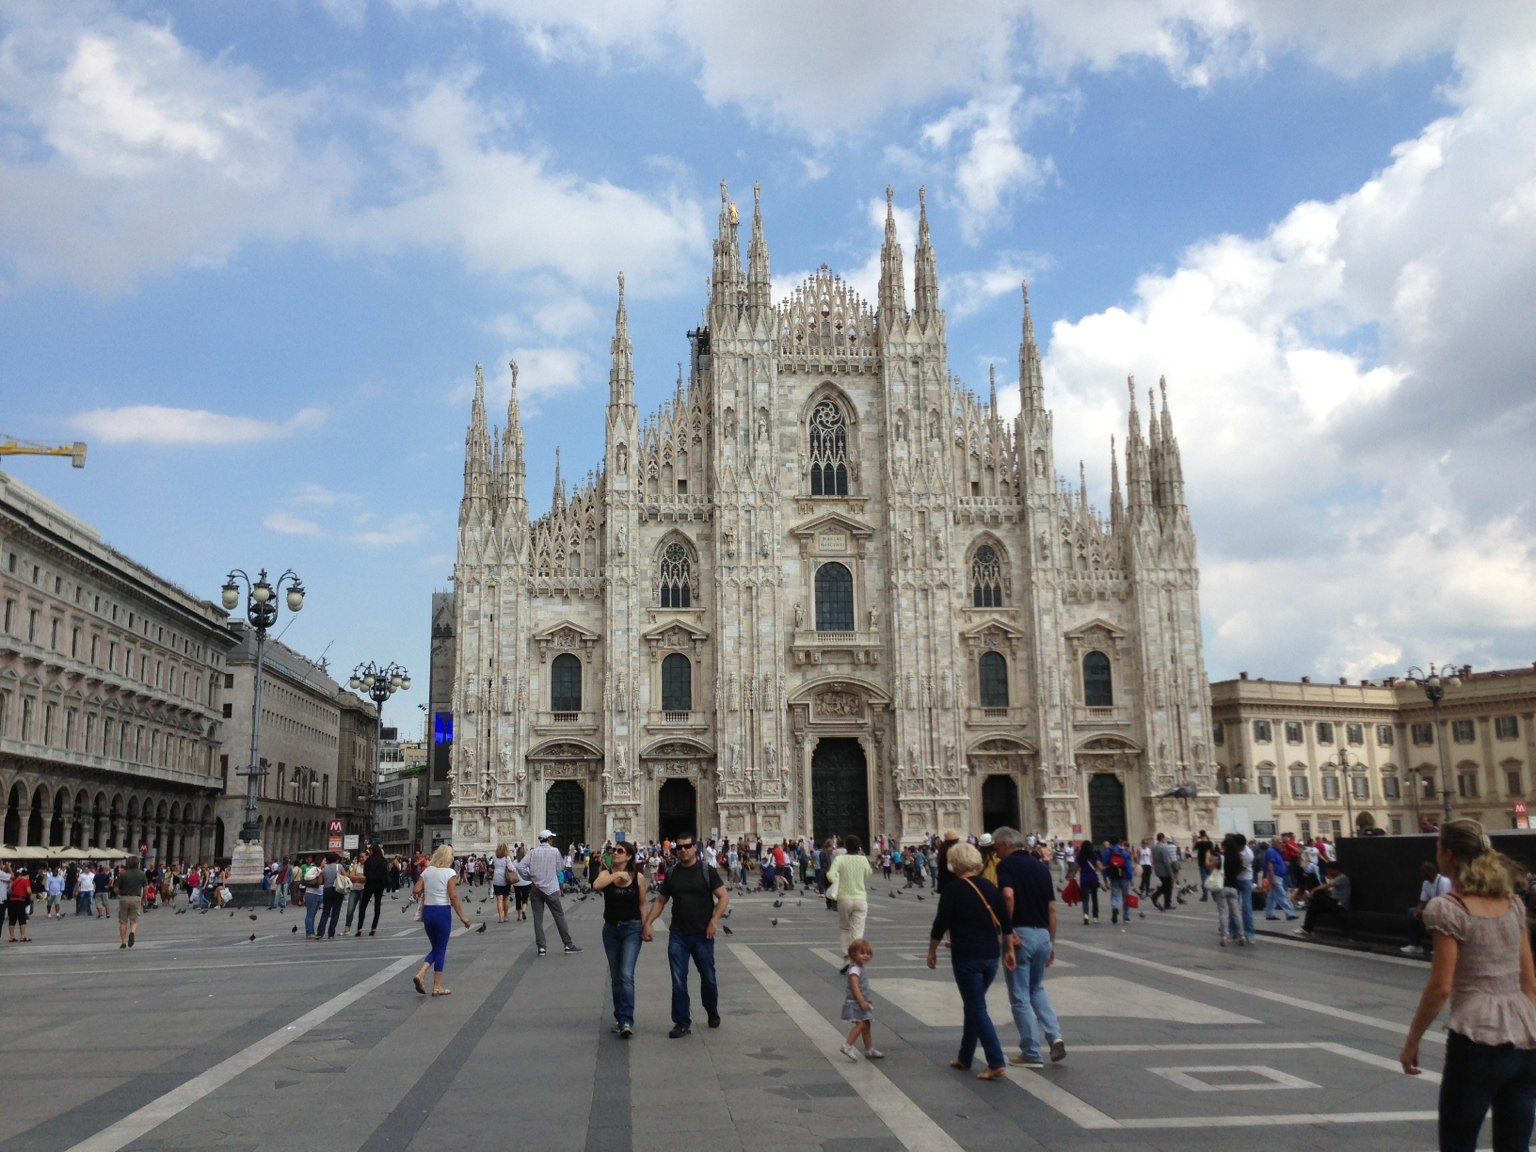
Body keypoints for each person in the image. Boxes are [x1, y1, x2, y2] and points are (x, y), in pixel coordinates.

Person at [1401, 819, 1536, 1152]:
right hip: (1525, 1039)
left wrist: (1412, 1040)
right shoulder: (1512, 904)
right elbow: (1529, 980)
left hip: (1476, 1039)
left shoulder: (1449, 908)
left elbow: (1441, 986)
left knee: (1458, 1143)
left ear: (1447, 855)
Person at [928, 841, 1014, 1080]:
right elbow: (1006, 923)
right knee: (972, 1005)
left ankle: (996, 1061)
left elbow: (940, 924)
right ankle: (965, 1056)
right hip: (990, 957)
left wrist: (932, 951)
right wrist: (1009, 950)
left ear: (953, 863)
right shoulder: (990, 886)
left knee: (976, 1007)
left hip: (967, 957)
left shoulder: (953, 890)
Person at [642, 831, 729, 1038]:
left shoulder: (707, 871)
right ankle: (682, 1021)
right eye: (679, 847)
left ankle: (711, 1009)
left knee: (708, 977)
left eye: (686, 846)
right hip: (678, 935)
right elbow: (661, 901)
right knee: (678, 979)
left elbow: (723, 897)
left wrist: (714, 921)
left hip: (702, 934)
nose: (682, 850)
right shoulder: (672, 873)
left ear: (694, 847)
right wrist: (647, 923)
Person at [995, 826, 1065, 1068]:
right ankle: (1055, 1036)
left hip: (1020, 936)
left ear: (1005, 845)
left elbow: (1007, 896)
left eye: (996, 848)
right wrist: (1051, 941)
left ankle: (1032, 1053)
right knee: (1037, 989)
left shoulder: (1006, 866)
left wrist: (1007, 929)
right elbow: (1053, 908)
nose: (996, 852)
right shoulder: (1040, 866)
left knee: (1019, 996)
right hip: (1043, 935)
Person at [593, 840, 648, 1038]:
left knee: (626, 975)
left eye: (619, 851)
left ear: (629, 856)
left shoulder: (639, 878)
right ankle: (620, 1016)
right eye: (614, 851)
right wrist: (616, 874)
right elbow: (596, 885)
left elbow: (643, 904)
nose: (615, 853)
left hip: (632, 928)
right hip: (611, 930)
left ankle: (626, 1020)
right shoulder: (606, 875)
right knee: (616, 977)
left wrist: (646, 925)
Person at [412, 844, 473, 996]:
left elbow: (416, 890)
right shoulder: (450, 872)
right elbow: (453, 896)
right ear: (448, 857)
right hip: (442, 912)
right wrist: (463, 917)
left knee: (436, 948)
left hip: (428, 912)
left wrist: (428, 889)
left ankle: (421, 975)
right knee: (441, 949)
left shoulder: (427, 871)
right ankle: (436, 985)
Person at [516, 830, 580, 956]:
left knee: (538, 919)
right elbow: (560, 867)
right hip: (551, 889)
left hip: (536, 888)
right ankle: (568, 944)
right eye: (552, 838)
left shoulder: (532, 852)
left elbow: (520, 867)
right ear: (549, 839)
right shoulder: (554, 851)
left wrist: (529, 877)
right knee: (559, 916)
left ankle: (541, 948)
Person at [826, 835, 873, 955]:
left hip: (844, 898)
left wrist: (839, 879)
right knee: (857, 931)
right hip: (861, 899)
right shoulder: (863, 859)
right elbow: (868, 873)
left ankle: (847, 955)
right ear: (859, 848)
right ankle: (856, 955)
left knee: (845, 928)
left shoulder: (840, 859)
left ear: (846, 847)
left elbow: (830, 876)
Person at [839, 938, 883, 1061]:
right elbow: (855, 987)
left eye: (868, 954)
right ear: (853, 954)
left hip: (860, 1002)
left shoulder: (859, 967)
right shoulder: (854, 969)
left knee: (866, 1023)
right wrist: (862, 1001)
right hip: (855, 1003)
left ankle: (869, 1049)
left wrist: (866, 999)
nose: (866, 956)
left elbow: (861, 987)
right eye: (863, 953)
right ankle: (847, 1045)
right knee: (861, 1024)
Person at [1403, 860, 1454, 957]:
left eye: (1424, 872)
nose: (1422, 875)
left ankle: (1439, 947)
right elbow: (1423, 901)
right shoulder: (1426, 883)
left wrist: (1427, 911)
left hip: (1446, 910)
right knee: (1411, 912)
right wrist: (1418, 910)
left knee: (1440, 916)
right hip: (1432, 909)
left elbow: (1445, 902)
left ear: (1431, 871)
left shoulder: (1444, 882)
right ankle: (1415, 945)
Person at [1296, 862, 1349, 938]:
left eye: (1330, 871)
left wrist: (1314, 890)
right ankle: (1307, 928)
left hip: (1339, 904)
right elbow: (1330, 891)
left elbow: (1328, 885)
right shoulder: (1338, 879)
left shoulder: (1342, 877)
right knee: (1313, 905)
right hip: (1334, 902)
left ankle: (1307, 928)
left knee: (1316, 896)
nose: (1329, 873)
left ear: (1336, 870)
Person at [353, 844, 388, 937]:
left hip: (369, 885)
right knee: (377, 906)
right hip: (380, 886)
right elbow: (385, 874)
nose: (370, 852)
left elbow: (365, 873)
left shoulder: (369, 860)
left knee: (363, 906)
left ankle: (359, 928)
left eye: (371, 851)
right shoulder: (383, 861)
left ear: (373, 851)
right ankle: (374, 928)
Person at [1215, 835, 1243, 946]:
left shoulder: (1222, 857)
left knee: (1223, 913)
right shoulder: (1238, 857)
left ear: (1225, 846)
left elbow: (1216, 869)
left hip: (1223, 886)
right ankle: (1242, 935)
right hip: (1234, 886)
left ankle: (1225, 936)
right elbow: (1239, 870)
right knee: (1236, 913)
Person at [114, 856, 148, 949]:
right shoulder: (142, 874)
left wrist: (120, 893)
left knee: (123, 921)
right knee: (134, 919)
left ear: (128, 864)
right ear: (138, 864)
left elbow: (116, 889)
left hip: (124, 898)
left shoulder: (123, 875)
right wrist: (143, 899)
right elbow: (145, 888)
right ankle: (132, 932)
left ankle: (123, 942)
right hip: (136, 898)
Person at [317, 852, 346, 940]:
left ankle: (320, 932)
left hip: (327, 890)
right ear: (337, 859)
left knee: (325, 911)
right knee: (335, 912)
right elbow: (345, 877)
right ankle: (331, 933)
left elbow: (319, 882)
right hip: (337, 890)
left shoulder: (324, 869)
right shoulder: (339, 867)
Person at [5, 861, 32, 943]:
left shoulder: (16, 880)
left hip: (12, 901)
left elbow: (11, 889)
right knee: (22, 919)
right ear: (27, 875)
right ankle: (22, 936)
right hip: (20, 901)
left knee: (12, 919)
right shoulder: (26, 880)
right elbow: (29, 891)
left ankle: (11, 937)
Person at [1151, 833, 1177, 912]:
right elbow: (1166, 861)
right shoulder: (1163, 848)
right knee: (1168, 887)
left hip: (1158, 870)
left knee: (1166, 885)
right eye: (1164, 838)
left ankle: (1157, 897)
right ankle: (1165, 903)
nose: (1165, 839)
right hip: (1165, 871)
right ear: (1162, 838)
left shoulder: (1154, 848)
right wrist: (1170, 872)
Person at [1076, 839, 1100, 925]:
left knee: (1085, 899)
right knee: (1094, 899)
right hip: (1093, 879)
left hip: (1084, 879)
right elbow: (1099, 866)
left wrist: (1071, 875)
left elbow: (1076, 867)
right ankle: (1095, 918)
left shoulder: (1080, 856)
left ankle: (1086, 916)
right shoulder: (1094, 855)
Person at [490, 843, 515, 925]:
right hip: (505, 879)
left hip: (496, 878)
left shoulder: (494, 856)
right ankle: (506, 916)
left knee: (499, 899)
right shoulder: (506, 857)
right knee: (506, 898)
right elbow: (511, 868)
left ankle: (500, 916)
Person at [1194, 830, 1215, 902]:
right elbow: (1212, 852)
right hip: (1209, 862)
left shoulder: (1199, 843)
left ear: (1200, 835)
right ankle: (1214, 895)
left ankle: (1205, 896)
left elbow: (1193, 849)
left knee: (1204, 880)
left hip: (1202, 863)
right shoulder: (1210, 843)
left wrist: (1196, 840)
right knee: (1211, 879)